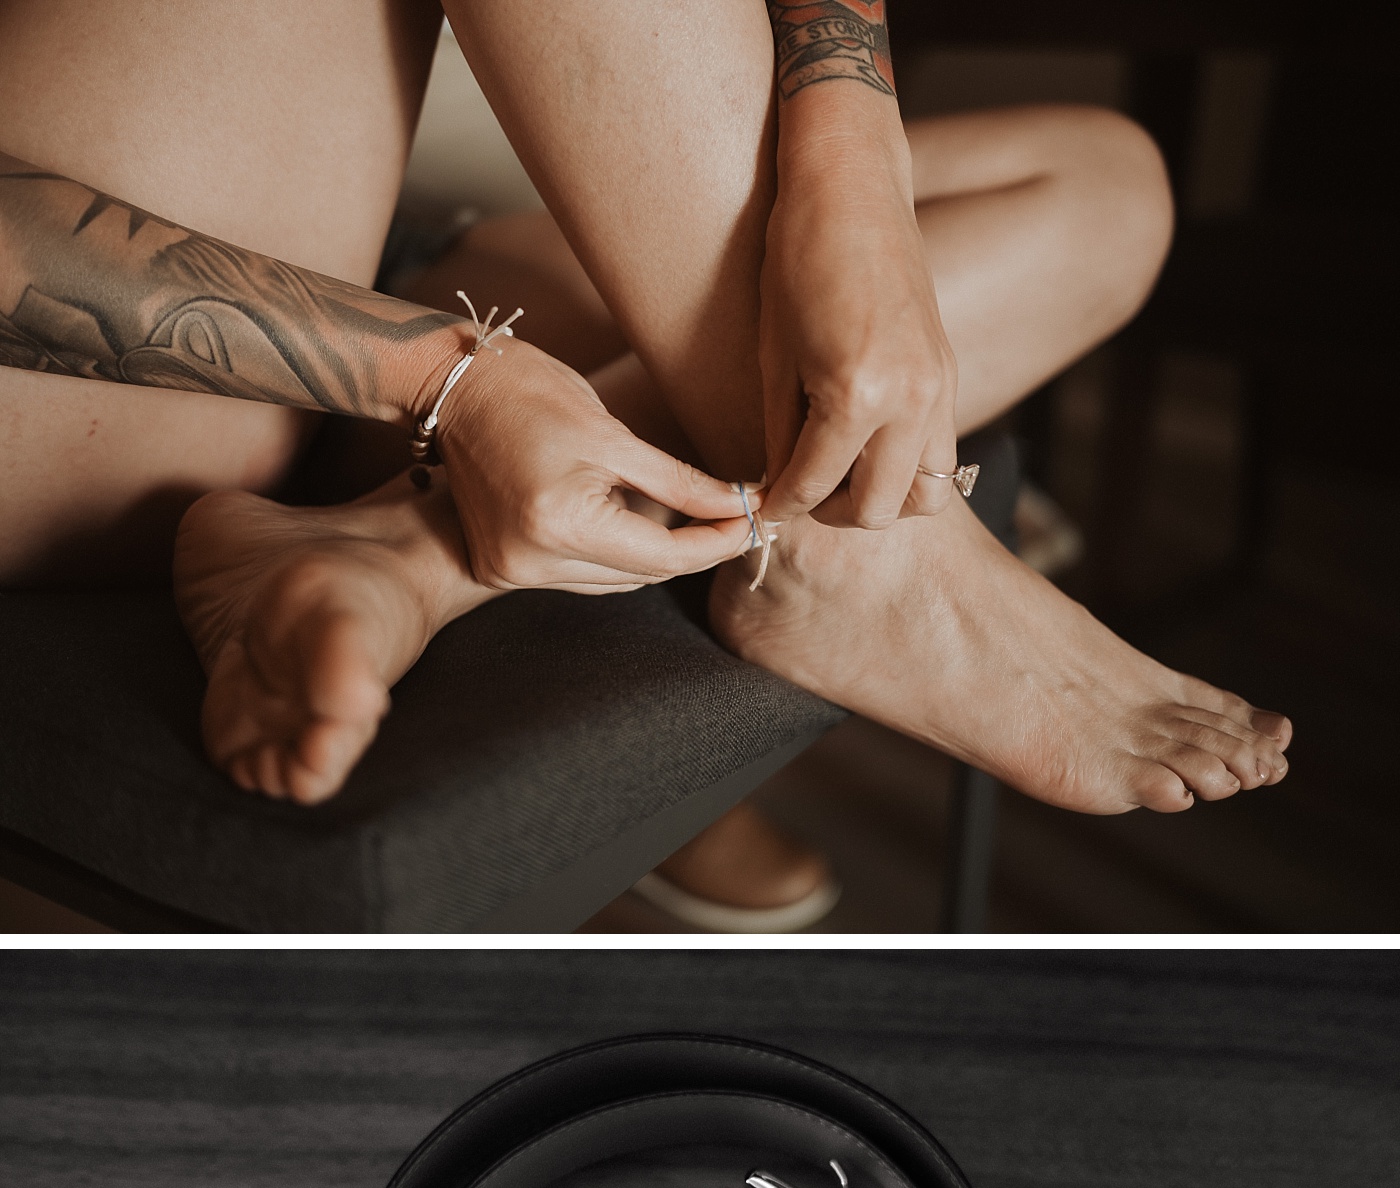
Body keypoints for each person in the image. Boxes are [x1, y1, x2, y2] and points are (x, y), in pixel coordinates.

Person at [0, 2, 1291, 921]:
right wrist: (448, 374)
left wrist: (854, 173)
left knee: (1103, 185)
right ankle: (860, 558)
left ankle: (411, 545)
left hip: (341, 237)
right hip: (69, 377)